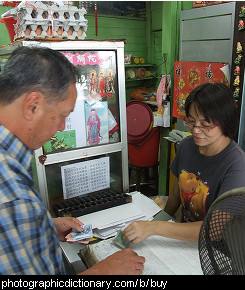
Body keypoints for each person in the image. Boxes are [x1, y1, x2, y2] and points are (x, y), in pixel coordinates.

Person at [0, 46, 145, 275]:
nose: (61, 127)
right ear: (33, 105)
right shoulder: (11, 196)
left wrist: (44, 227)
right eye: (62, 115)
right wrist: (104, 272)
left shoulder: (9, 162)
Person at [123, 82, 245, 243]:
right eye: (191, 121)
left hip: (217, 249)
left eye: (205, 125)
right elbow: (177, 193)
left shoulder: (236, 163)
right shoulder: (187, 145)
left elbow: (215, 230)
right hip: (183, 240)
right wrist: (159, 221)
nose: (196, 130)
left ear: (225, 121)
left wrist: (154, 228)